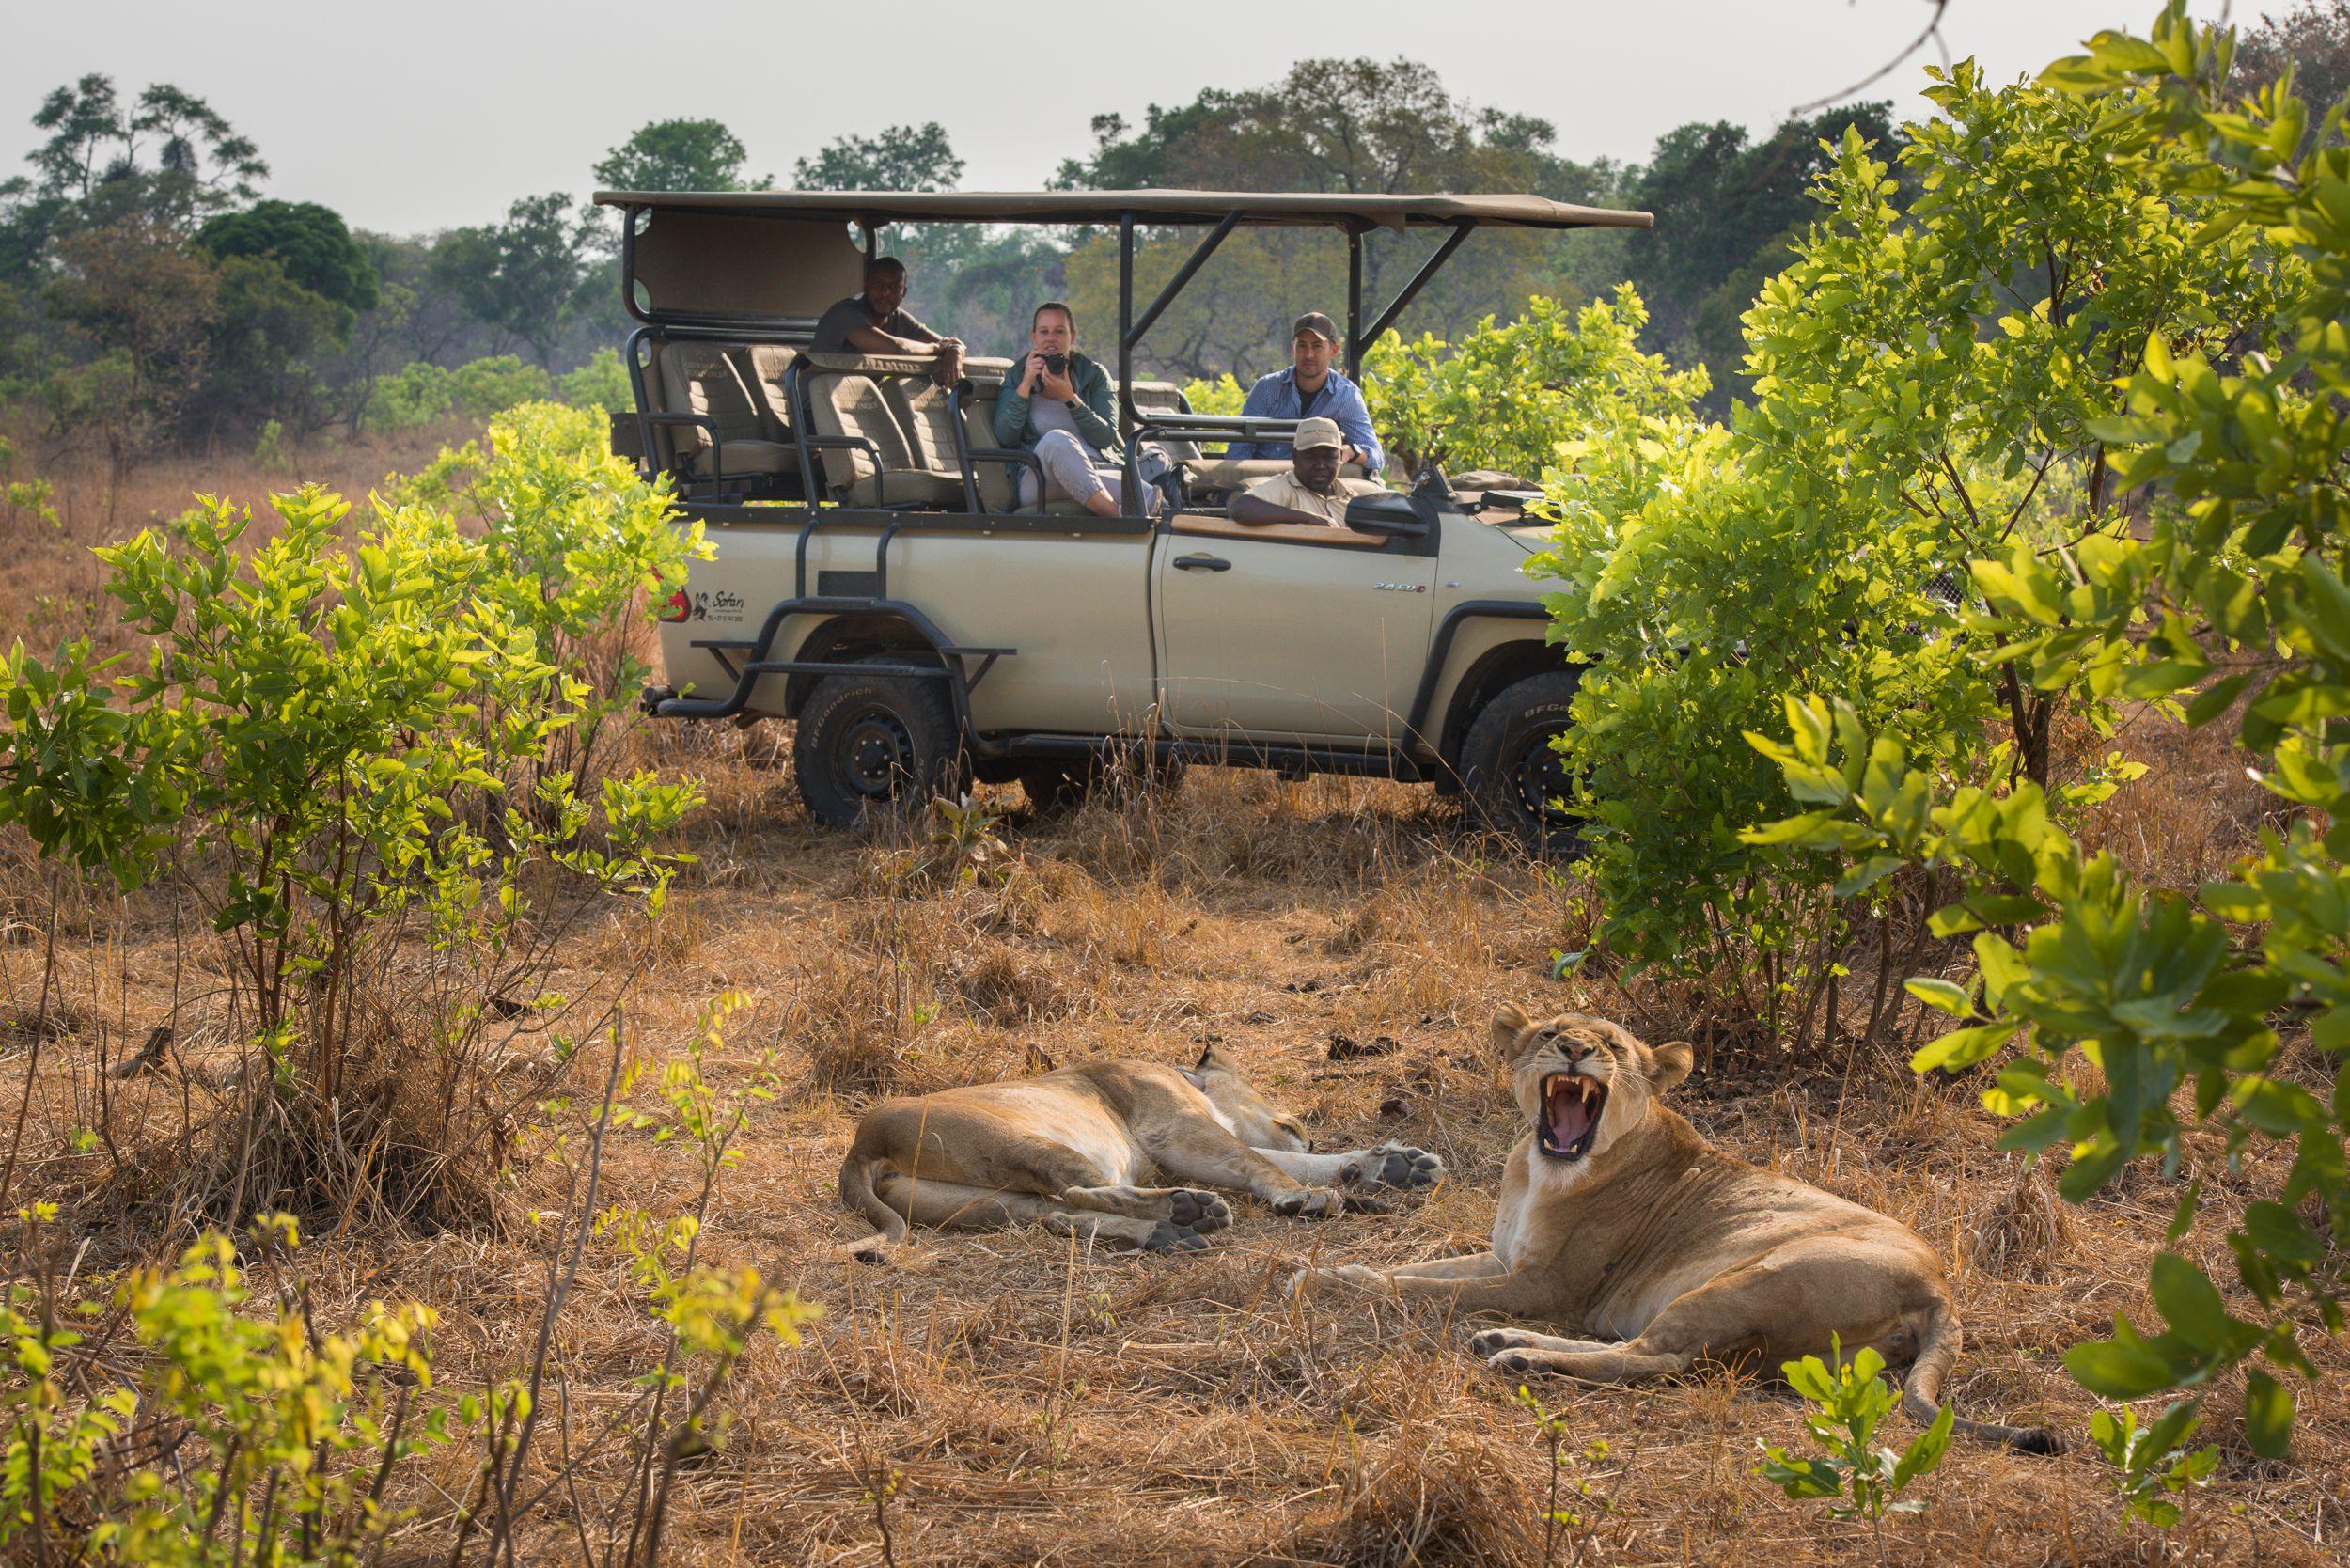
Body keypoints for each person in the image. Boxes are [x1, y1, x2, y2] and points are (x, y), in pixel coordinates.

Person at [992, 301, 1174, 518]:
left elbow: (1106, 437)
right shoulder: (1016, 376)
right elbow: (1005, 436)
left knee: (1150, 488)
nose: (1051, 338)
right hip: (1039, 478)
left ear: (1072, 337)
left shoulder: (1094, 374)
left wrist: (1071, 399)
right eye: (1044, 332)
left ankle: (1152, 510)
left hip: (1096, 469)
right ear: (1034, 337)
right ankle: (1115, 516)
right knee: (1056, 439)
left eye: (1059, 331)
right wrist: (1024, 386)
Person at [1223, 312, 1383, 475]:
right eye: (1302, 346)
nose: (1309, 355)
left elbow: (1376, 456)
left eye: (1317, 346)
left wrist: (1352, 451)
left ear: (1333, 351)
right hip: (1265, 483)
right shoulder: (1266, 388)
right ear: (1293, 347)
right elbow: (1239, 449)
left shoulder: (1346, 395)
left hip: (1317, 487)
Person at [810, 256, 964, 386]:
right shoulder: (844, 314)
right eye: (878, 285)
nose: (884, 293)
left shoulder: (898, 318)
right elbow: (898, 349)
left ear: (903, 292)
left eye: (894, 288)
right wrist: (937, 348)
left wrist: (954, 350)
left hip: (858, 404)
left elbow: (949, 343)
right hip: (812, 410)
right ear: (866, 285)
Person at [1230, 416, 1386, 527]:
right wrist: (1308, 519)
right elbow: (1242, 508)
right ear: (1295, 457)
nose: (1320, 465)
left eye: (1328, 457)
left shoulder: (1351, 497)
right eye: (1311, 456)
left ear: (1340, 458)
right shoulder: (1285, 487)